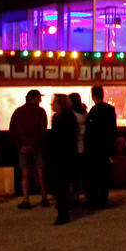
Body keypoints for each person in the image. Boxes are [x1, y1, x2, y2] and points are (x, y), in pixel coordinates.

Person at [9, 89, 50, 209]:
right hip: (37, 147)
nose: (40, 100)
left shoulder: (18, 112)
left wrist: (21, 146)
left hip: (22, 148)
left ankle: (26, 199)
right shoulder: (40, 112)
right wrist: (33, 145)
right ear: (34, 99)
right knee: (40, 172)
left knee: (25, 174)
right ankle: (44, 197)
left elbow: (12, 131)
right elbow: (42, 130)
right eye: (39, 98)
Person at [46, 94, 79, 225]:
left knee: (62, 185)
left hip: (63, 156)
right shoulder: (63, 117)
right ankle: (64, 209)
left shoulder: (65, 118)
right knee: (62, 185)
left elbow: (63, 137)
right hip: (61, 155)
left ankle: (63, 213)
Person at [84, 85, 118, 208]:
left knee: (94, 174)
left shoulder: (93, 112)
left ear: (93, 96)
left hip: (95, 148)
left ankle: (94, 198)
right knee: (105, 174)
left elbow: (89, 132)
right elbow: (113, 129)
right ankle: (103, 198)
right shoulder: (110, 109)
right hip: (106, 146)